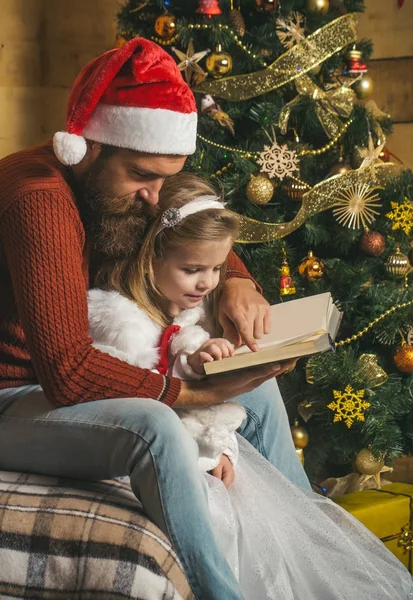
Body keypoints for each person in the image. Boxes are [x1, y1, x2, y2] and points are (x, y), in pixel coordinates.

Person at [0, 38, 308, 599]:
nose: (153, 198)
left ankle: (313, 552)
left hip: (49, 390)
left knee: (257, 389)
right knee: (157, 425)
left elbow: (174, 226)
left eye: (167, 179)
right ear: (87, 148)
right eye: (143, 175)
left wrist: (237, 276)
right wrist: (192, 398)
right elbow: (67, 372)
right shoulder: (39, 199)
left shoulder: (117, 190)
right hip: (12, 396)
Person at [87, 172, 413, 600]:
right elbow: (138, 407)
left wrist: (220, 440)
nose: (207, 283)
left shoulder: (190, 307)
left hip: (201, 445)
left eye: (217, 269)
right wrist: (205, 443)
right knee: (232, 520)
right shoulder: (117, 321)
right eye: (192, 269)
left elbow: (207, 398)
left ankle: (312, 538)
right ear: (150, 256)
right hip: (161, 449)